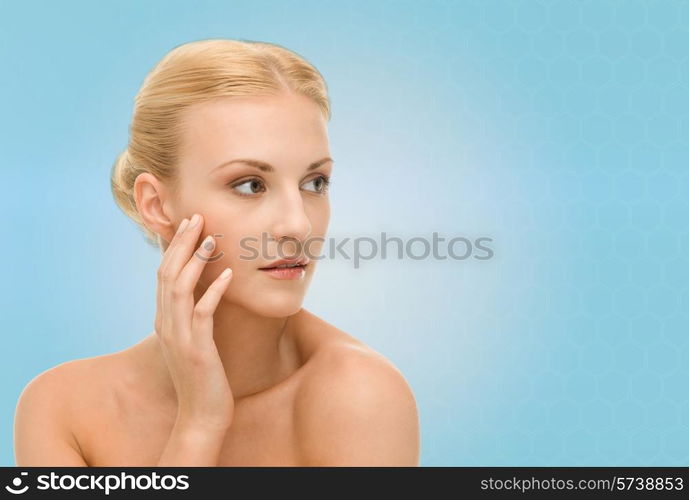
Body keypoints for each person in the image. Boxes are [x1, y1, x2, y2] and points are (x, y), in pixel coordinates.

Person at [14, 38, 420, 466]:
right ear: (156, 204)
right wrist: (199, 424)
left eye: (314, 182)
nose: (298, 224)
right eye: (250, 185)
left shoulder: (360, 396)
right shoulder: (62, 410)